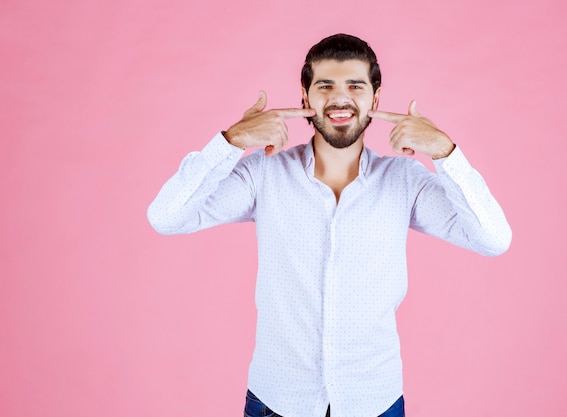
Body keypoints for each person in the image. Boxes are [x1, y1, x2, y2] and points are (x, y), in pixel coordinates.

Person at [147, 33, 511, 417]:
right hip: (277, 400)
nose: (340, 98)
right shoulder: (265, 174)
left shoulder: (405, 180)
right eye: (325, 86)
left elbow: (493, 238)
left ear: (375, 98)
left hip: (374, 400)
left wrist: (445, 151)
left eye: (355, 85)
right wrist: (231, 141)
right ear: (305, 98)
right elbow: (167, 217)